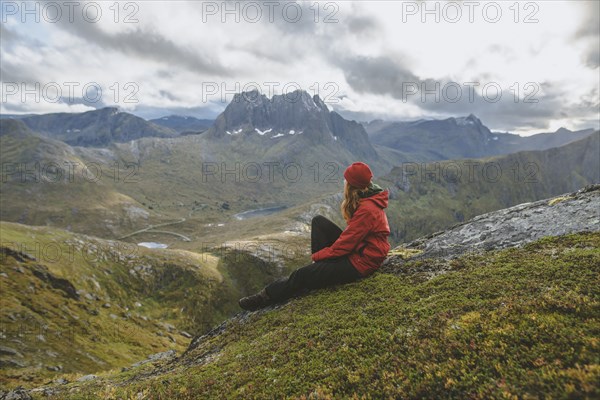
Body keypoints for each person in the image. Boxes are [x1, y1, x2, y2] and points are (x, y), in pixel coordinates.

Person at [238, 162, 391, 311]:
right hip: (360, 250)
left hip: (361, 262)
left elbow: (346, 245)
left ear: (352, 185)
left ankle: (264, 297)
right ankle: (317, 273)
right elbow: (351, 238)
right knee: (319, 222)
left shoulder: (367, 210)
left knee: (300, 274)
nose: (344, 182)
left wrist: (318, 257)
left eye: (346, 180)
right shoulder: (367, 197)